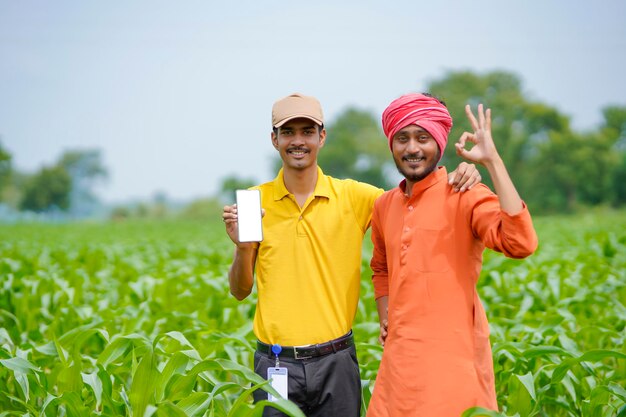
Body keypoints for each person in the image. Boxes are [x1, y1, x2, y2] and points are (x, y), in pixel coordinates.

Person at [222, 93, 481, 417]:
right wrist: (242, 248)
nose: (298, 141)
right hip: (276, 365)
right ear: (274, 140)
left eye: (307, 131)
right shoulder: (253, 202)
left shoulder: (357, 197)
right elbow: (240, 290)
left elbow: (414, 201)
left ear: (322, 136)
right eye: (288, 132)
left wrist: (457, 175)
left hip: (336, 361)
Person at [366, 93, 538, 416]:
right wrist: (387, 316)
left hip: (454, 368)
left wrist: (492, 162)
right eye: (402, 138)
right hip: (398, 371)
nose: (412, 148)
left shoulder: (465, 193)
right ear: (391, 144)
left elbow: (521, 243)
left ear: (440, 142)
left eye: (423, 138)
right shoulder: (384, 205)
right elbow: (381, 268)